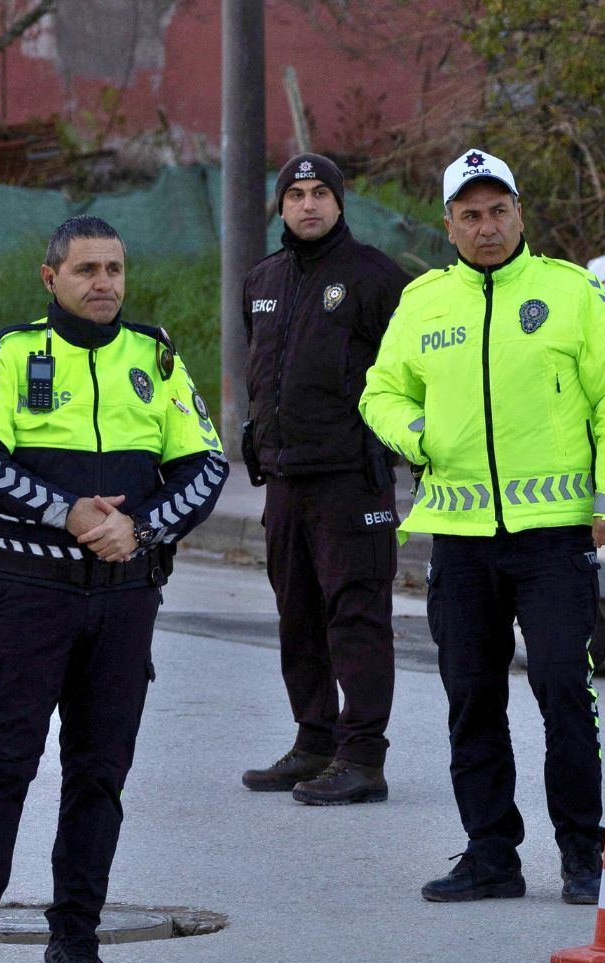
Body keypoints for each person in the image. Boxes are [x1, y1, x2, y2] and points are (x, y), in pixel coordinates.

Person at [0, 216, 227, 963]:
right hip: (27, 594)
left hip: (124, 596)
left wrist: (140, 527)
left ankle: (76, 940)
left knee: (99, 774)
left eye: (114, 269)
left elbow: (206, 464)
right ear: (51, 279)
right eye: (86, 270)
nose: (104, 283)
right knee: (2, 767)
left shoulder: (156, 357)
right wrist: (65, 511)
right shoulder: (12, 353)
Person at [360, 149, 605, 905]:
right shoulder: (424, 302)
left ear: (520, 214)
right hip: (459, 538)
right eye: (470, 215)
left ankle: (583, 856)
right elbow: (380, 392)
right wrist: (419, 434)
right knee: (472, 698)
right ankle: (491, 855)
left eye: (498, 211)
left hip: (553, 539)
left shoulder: (570, 292)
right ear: (448, 224)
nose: (485, 227)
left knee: (562, 691)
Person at [238, 154, 411, 805]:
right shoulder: (262, 279)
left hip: (351, 481)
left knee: (356, 618)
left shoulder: (375, 279)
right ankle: (314, 743)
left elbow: (408, 379)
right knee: (298, 618)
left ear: (340, 203)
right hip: (284, 482)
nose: (308, 205)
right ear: (280, 207)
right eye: (295, 195)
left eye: (319, 194)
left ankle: (362, 757)